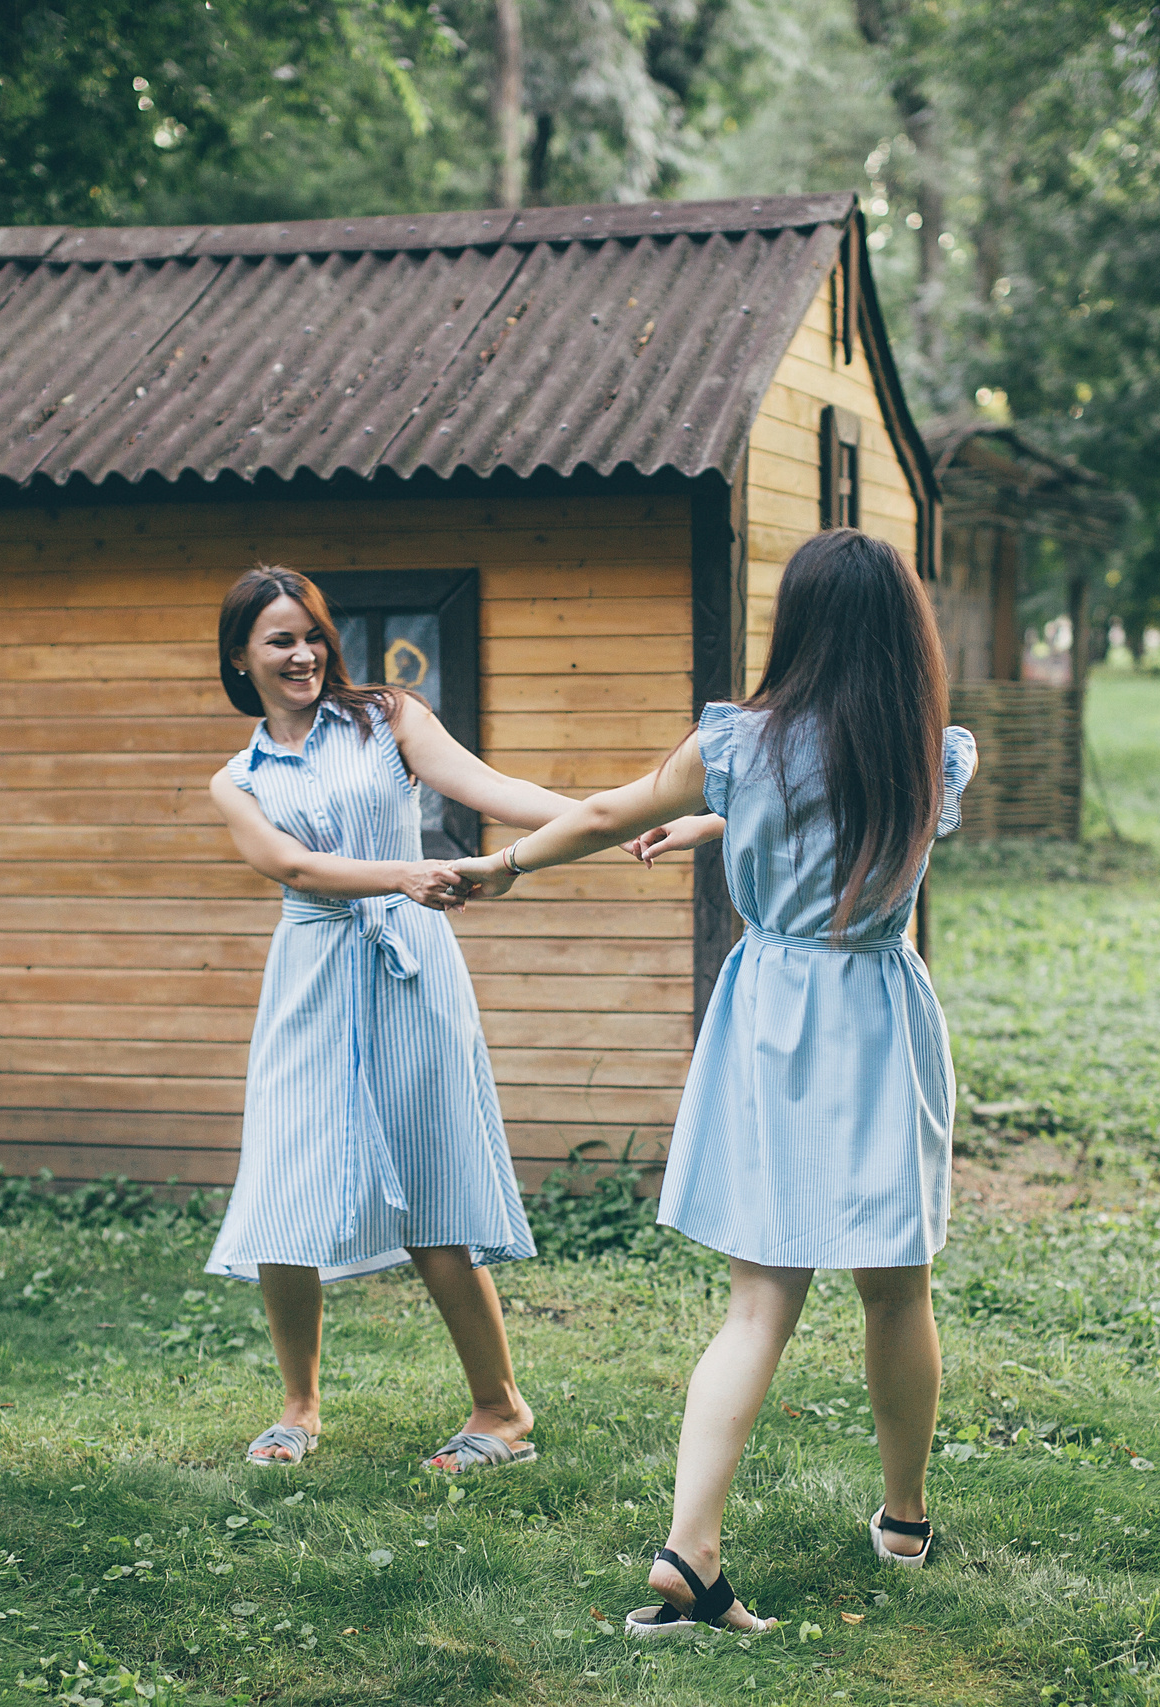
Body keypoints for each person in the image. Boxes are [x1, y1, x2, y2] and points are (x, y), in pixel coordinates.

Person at [450, 528, 975, 1636]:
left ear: (799, 626)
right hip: (876, 1015)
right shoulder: (928, 751)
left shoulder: (736, 743)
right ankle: (904, 1519)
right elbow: (845, 802)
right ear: (903, 635)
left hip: (770, 1016)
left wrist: (501, 865)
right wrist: (722, 818)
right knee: (897, 1288)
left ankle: (690, 1549)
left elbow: (604, 813)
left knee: (757, 1306)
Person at [206, 565, 575, 1474]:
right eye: (281, 640)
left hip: (411, 968)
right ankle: (298, 1409)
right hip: (311, 976)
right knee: (282, 1184)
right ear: (240, 656)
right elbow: (294, 867)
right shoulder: (237, 780)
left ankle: (501, 1411)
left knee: (431, 1174)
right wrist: (400, 874)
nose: (304, 654)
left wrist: (605, 819)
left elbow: (488, 786)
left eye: (313, 635)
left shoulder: (386, 718)